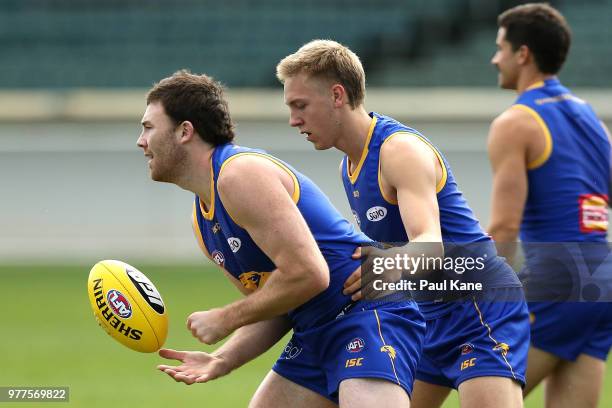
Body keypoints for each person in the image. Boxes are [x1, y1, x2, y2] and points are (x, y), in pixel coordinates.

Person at [136, 70, 426, 407]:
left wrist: (226, 318)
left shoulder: (238, 174)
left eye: (148, 128)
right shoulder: (202, 223)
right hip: (315, 331)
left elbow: (309, 273)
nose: (140, 141)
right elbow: (278, 305)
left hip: (366, 314)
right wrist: (222, 359)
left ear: (185, 131)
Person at [277, 40, 530, 408]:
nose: (293, 119)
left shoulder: (399, 151)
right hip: (425, 313)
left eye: (300, 105)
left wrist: (379, 266)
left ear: (336, 95)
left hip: (478, 307)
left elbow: (430, 242)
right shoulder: (349, 165)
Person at [487, 3, 612, 407]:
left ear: (523, 54)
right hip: (602, 280)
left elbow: (504, 229)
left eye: (501, 48)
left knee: (481, 395)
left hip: (555, 280)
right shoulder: (591, 116)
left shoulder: (516, 122)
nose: (494, 59)